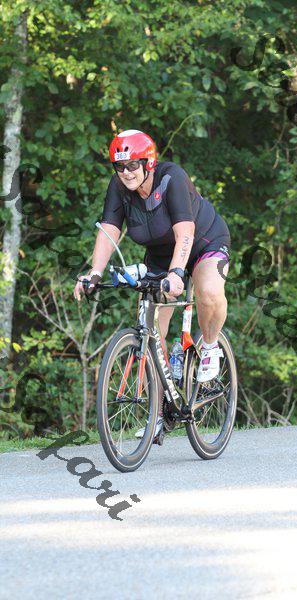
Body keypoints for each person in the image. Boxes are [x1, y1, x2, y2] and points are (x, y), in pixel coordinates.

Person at [74, 129, 230, 437]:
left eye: (133, 165)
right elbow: (109, 230)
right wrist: (94, 273)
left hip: (204, 242)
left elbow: (185, 232)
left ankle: (211, 346)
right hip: (160, 256)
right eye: (120, 166)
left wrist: (176, 273)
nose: (126, 172)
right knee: (150, 331)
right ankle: (158, 412)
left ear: (149, 163)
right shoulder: (119, 187)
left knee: (209, 291)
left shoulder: (172, 178)